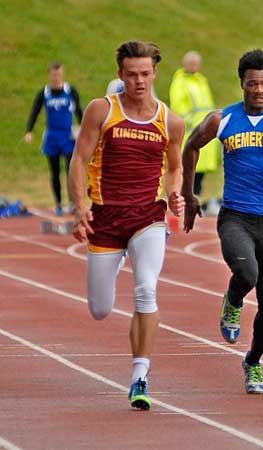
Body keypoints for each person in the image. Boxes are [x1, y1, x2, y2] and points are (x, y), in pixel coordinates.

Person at [69, 40, 185, 410]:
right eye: (131, 74)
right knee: (100, 309)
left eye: (145, 74)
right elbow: (79, 158)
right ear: (121, 75)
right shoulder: (101, 111)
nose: (139, 81)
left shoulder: (170, 120)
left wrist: (177, 193)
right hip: (105, 216)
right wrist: (79, 207)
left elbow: (176, 166)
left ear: (154, 73)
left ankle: (140, 377)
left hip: (148, 215)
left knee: (146, 290)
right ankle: (116, 258)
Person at [181, 49, 263, 394]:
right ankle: (233, 301)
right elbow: (190, 147)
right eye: (252, 84)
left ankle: (253, 363)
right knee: (246, 273)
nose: (259, 90)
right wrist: (189, 194)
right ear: (242, 84)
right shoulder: (222, 120)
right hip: (234, 217)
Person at [25, 61, 83, 216]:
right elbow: (35, 112)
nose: (56, 77)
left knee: (71, 171)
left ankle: (72, 203)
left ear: (62, 74)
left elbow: (79, 111)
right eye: (53, 74)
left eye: (59, 74)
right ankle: (58, 203)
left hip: (68, 136)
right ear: (50, 75)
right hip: (52, 136)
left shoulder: (70, 91)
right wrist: (29, 130)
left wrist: (84, 130)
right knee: (55, 171)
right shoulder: (44, 93)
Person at [169, 51, 221, 201]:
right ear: (185, 64)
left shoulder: (201, 80)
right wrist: (188, 121)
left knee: (201, 167)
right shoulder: (180, 81)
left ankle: (196, 194)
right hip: (191, 128)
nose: (194, 66)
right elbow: (178, 104)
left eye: (196, 64)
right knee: (189, 163)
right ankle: (185, 196)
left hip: (205, 126)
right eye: (191, 63)